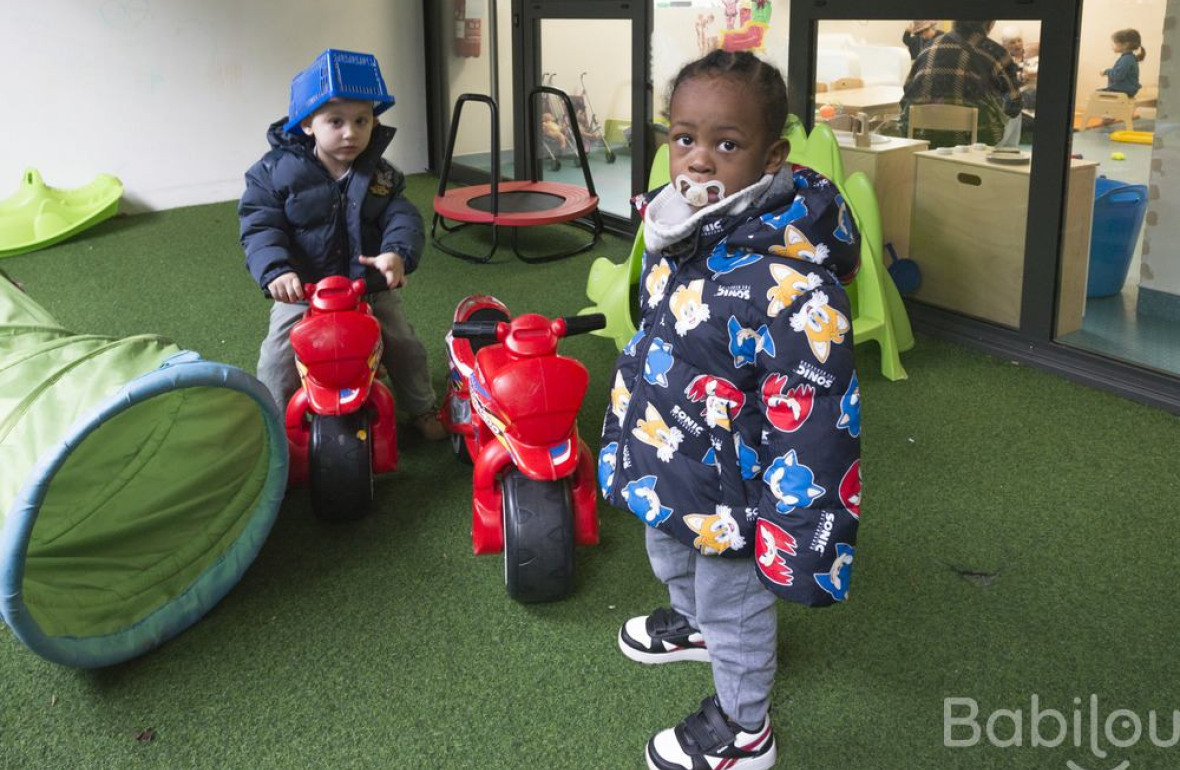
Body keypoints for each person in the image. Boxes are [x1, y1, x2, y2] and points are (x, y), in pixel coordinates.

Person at [598, 50, 861, 770]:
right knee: (667, 551)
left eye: (727, 143)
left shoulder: (791, 281)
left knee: (733, 599)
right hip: (671, 453)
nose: (699, 160)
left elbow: (818, 420)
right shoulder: (680, 224)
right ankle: (691, 626)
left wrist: (798, 530)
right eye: (684, 137)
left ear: (771, 155)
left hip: (740, 491)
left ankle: (745, 727)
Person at [239, 50, 445, 440]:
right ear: (307, 125)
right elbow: (259, 225)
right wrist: (277, 271)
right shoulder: (274, 173)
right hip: (303, 288)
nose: (350, 132)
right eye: (336, 121)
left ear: (374, 121)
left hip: (365, 285)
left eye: (361, 121)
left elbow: (401, 217)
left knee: (402, 340)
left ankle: (421, 406)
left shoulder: (381, 174)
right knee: (278, 354)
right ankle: (273, 424)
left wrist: (396, 254)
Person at [900, 20, 1023, 147]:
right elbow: (1014, 105)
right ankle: (1003, 160)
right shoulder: (997, 52)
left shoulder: (928, 47)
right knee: (1016, 115)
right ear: (990, 23)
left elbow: (907, 90)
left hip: (921, 136)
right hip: (976, 141)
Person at [1101, 28, 1145, 98]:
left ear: (1125, 45)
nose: (1112, 46)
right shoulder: (1129, 58)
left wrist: (1106, 71)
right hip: (1126, 89)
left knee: (1096, 95)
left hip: (1123, 90)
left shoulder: (1126, 59)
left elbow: (1118, 75)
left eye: (1114, 43)